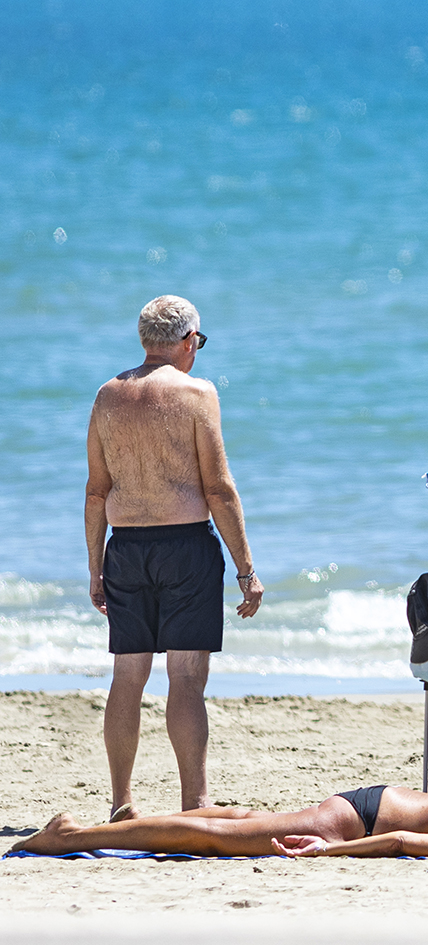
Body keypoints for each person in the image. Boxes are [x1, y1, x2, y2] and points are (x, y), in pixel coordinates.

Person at [85, 295, 264, 817]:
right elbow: (220, 488)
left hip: (126, 547)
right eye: (198, 342)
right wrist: (246, 569)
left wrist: (95, 566)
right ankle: (195, 802)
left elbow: (96, 491)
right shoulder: (197, 393)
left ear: (145, 341)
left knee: (127, 676)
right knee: (185, 678)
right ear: (188, 341)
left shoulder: (107, 396)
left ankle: (122, 803)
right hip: (186, 546)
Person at [9, 783, 428, 859]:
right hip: (355, 824)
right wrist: (324, 854)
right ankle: (73, 836)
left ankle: (140, 818)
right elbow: (402, 841)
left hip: (368, 800)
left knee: (247, 816)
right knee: (223, 839)